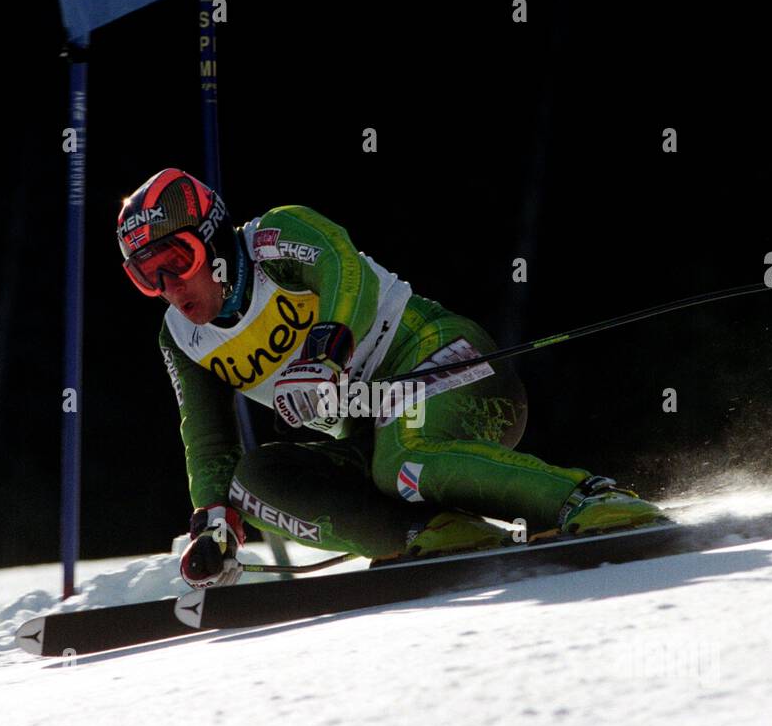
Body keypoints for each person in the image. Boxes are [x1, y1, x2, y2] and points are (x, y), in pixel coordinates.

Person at [117, 168, 662, 588]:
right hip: (373, 435)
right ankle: (432, 534)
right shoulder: (180, 338)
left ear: (211, 240)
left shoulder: (275, 239)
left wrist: (324, 354)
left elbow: (341, 268)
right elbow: (208, 437)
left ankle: (583, 497)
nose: (169, 285)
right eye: (146, 276)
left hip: (451, 368)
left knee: (405, 455)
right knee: (254, 484)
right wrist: (214, 523)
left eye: (177, 260)